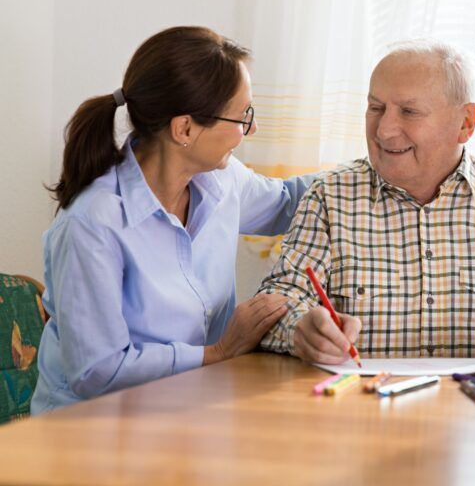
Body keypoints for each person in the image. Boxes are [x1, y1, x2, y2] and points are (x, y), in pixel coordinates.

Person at [258, 39, 475, 372]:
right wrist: (299, 330)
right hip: (360, 416)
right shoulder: (327, 197)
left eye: (409, 112)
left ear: (465, 123)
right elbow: (276, 305)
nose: (384, 130)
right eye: (376, 108)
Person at [31, 26, 314, 414]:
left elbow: (290, 202)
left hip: (186, 414)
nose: (251, 128)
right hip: (91, 432)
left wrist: (375, 164)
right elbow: (98, 370)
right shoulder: (93, 223)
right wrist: (219, 351)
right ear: (185, 129)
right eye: (241, 116)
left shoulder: (221, 181)